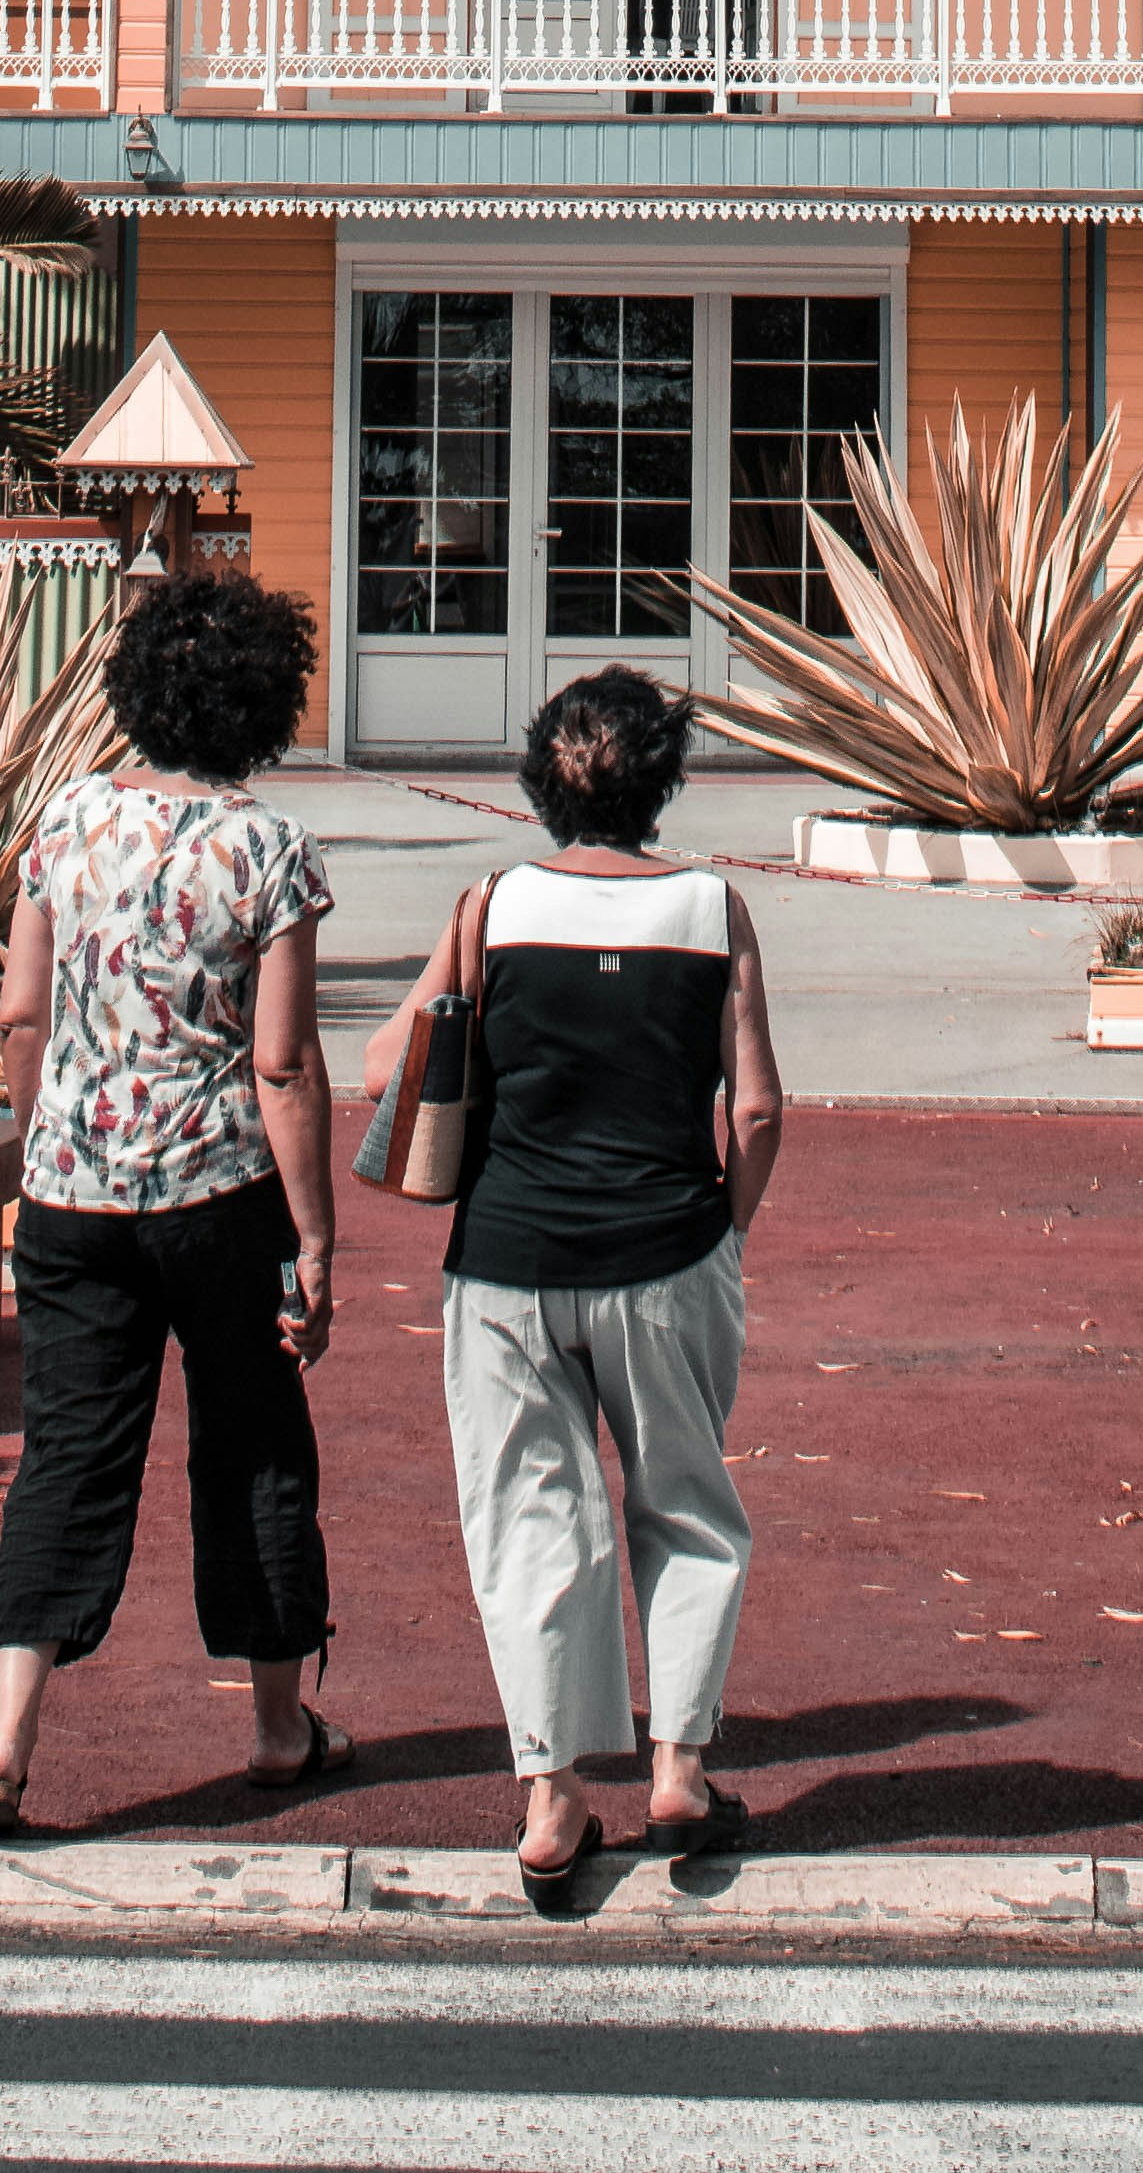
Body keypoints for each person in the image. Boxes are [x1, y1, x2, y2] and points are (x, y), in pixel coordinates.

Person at [368, 660, 783, 1911]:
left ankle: (553, 1797)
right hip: (664, 1246)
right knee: (686, 1505)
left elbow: (390, 1065)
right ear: (665, 779)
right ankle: (678, 1768)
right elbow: (755, 1106)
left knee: (529, 1518)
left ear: (539, 778)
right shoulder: (714, 908)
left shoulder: (489, 903)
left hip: (506, 1260)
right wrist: (725, 1234)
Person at [0, 570, 340, 1841]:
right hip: (219, 1190)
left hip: (70, 1192)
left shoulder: (63, 822)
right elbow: (281, 1063)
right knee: (254, 1447)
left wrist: (41, 1147)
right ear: (263, 707)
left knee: (66, 1453)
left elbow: (19, 1013)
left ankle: (4, 1739)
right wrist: (317, 1233)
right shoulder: (267, 848)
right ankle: (280, 1727)